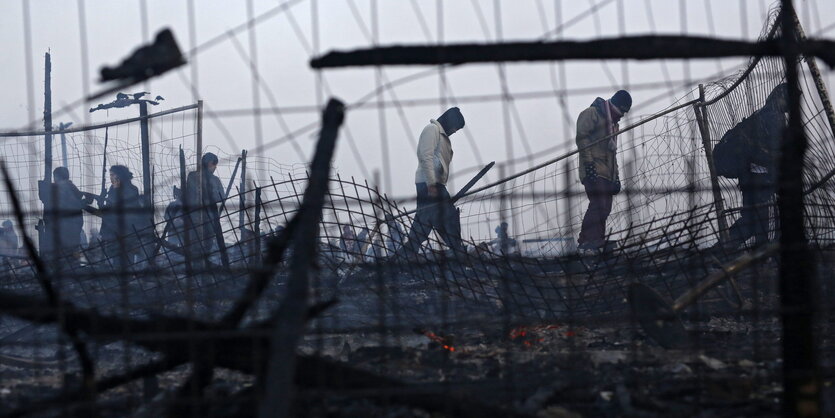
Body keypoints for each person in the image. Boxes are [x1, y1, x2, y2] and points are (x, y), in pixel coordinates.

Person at [721, 83, 789, 249]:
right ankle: (721, 251)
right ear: (780, 98)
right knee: (756, 223)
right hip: (759, 177)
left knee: (754, 222)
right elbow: (762, 149)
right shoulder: (772, 117)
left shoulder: (765, 114)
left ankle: (723, 250)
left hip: (753, 176)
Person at [399, 107, 467, 257]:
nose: (454, 131)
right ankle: (459, 253)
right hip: (429, 185)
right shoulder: (432, 130)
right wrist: (431, 184)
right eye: (455, 128)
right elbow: (425, 156)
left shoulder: (443, 137)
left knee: (423, 227)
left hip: (437, 185)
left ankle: (402, 257)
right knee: (448, 220)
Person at [575, 90, 632, 253]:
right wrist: (589, 164)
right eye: (622, 110)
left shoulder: (614, 124)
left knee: (605, 207)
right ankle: (586, 241)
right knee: (598, 204)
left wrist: (616, 177)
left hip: (607, 171)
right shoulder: (591, 113)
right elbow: (582, 138)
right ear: (616, 105)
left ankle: (597, 241)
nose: (622, 115)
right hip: (593, 167)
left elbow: (612, 154)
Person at [98, 165, 151, 265]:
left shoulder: (129, 190)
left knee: (124, 261)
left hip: (124, 231)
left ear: (120, 176)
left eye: (113, 175)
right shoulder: (114, 190)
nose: (111, 178)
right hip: (115, 231)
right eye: (110, 175)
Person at [38, 166, 89, 259]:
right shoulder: (73, 190)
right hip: (73, 234)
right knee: (71, 261)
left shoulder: (57, 189)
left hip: (59, 234)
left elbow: (44, 197)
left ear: (56, 177)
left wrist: (44, 184)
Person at [185, 153, 225, 255]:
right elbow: (221, 196)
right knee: (206, 244)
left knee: (195, 245)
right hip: (207, 216)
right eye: (214, 165)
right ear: (210, 163)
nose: (215, 167)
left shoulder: (192, 176)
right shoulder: (213, 180)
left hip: (194, 216)